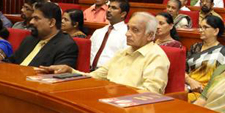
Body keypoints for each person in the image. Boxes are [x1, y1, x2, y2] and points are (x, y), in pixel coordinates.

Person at [37, 13, 170, 94]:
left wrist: (114, 95)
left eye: (135, 30)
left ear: (150, 35)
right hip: (109, 101)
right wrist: (69, 71)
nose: (127, 34)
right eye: (128, 28)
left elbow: (151, 93)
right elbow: (95, 77)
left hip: (133, 112)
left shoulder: (156, 57)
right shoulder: (123, 53)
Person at [6, 2, 78, 68]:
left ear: (51, 22)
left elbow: (58, 74)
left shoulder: (66, 46)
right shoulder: (29, 39)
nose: (31, 22)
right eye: (32, 18)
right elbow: (10, 62)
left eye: (36, 18)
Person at [186, 16, 225, 102]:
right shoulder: (195, 47)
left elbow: (221, 80)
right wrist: (189, 81)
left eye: (205, 27)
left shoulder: (223, 52)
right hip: (186, 85)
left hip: (204, 93)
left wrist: (201, 89)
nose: (201, 30)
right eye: (200, 27)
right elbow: (182, 69)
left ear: (216, 31)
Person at [89, 0, 129, 70]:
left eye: (114, 8)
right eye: (109, 7)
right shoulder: (98, 32)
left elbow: (126, 60)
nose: (108, 10)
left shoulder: (127, 34)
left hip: (110, 73)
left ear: (123, 14)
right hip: (89, 71)